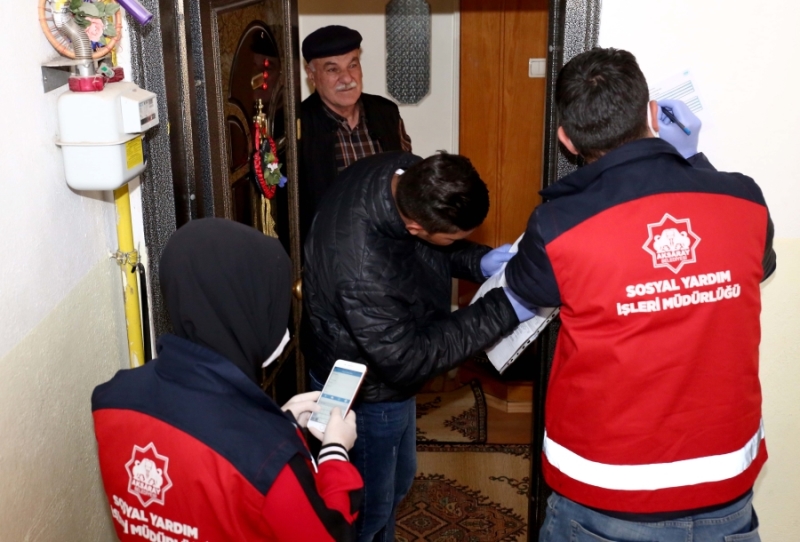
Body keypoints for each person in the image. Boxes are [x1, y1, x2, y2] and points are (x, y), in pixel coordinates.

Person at [504, 48, 776, 541]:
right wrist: (694, 159)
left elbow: (524, 290)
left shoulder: (560, 225)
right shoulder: (745, 199)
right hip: (726, 487)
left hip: (607, 498)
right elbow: (762, 264)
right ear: (653, 113)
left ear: (565, 139)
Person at [303, 150, 533, 542]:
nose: (458, 243)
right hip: (368, 389)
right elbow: (408, 359)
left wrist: (478, 263)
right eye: (455, 239)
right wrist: (502, 309)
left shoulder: (403, 171)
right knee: (368, 506)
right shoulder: (362, 269)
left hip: (385, 364)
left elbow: (431, 245)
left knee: (400, 479)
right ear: (413, 225)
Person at [92, 218, 364, 541]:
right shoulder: (266, 457)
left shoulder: (111, 399)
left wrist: (281, 423)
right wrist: (335, 450)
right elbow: (331, 534)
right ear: (243, 307)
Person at [299, 25, 412, 238]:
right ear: (311, 75)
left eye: (353, 65)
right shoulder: (297, 125)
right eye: (333, 69)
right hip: (329, 249)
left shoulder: (386, 113)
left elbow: (406, 177)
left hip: (389, 244)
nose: (347, 78)